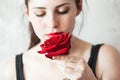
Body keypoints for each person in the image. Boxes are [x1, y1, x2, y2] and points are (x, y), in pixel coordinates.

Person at [3, 0, 120, 80]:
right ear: (28, 13)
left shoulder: (106, 57)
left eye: (62, 11)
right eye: (40, 13)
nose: (52, 23)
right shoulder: (11, 69)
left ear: (79, 6)